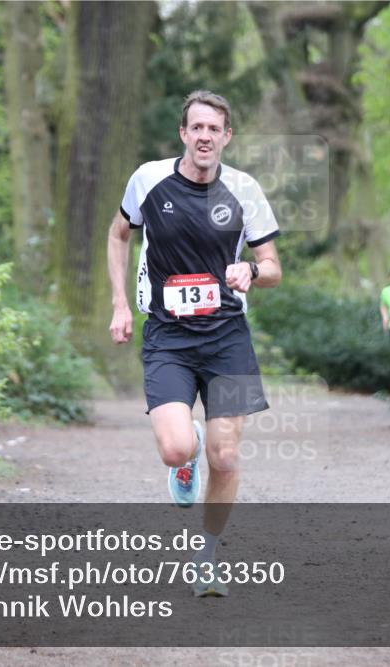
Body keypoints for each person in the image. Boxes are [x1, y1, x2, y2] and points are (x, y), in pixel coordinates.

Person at [107, 90, 281, 597]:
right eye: (197, 127)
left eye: (214, 129)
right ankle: (189, 450)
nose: (205, 136)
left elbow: (273, 266)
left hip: (227, 337)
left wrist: (252, 270)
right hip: (169, 337)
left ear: (227, 137)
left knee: (225, 458)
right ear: (183, 133)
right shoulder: (148, 180)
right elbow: (118, 235)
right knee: (175, 448)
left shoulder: (245, 190)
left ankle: (206, 556)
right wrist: (120, 304)